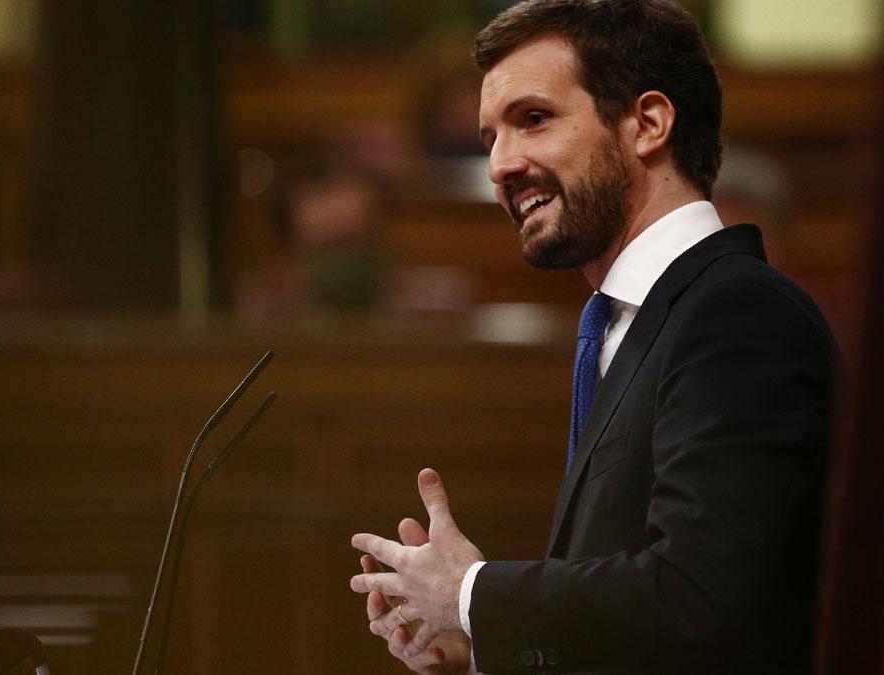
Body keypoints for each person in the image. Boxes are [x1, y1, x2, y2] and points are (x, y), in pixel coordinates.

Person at [349, 1, 839, 673]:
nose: (500, 165)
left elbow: (702, 601)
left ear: (648, 123)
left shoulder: (739, 314)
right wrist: (482, 646)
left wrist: (472, 593)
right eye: (491, 137)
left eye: (534, 120)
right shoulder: (632, 323)